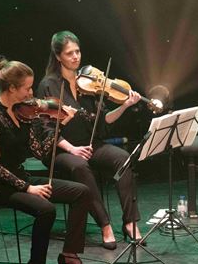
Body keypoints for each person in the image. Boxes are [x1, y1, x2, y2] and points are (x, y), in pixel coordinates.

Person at [0, 57, 97, 264]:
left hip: (21, 177)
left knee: (82, 192)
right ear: (12, 88)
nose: (31, 93)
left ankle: (70, 254)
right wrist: (29, 188)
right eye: (27, 88)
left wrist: (60, 123)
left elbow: (39, 151)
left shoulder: (23, 113)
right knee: (46, 210)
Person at [36, 31, 144, 250]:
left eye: (77, 51)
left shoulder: (89, 83)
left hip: (90, 144)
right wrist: (72, 149)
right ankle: (105, 225)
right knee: (81, 167)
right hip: (62, 150)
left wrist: (124, 106)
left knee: (124, 159)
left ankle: (130, 222)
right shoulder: (49, 85)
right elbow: (46, 129)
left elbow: (103, 122)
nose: (76, 57)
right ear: (58, 57)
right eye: (69, 53)